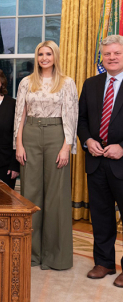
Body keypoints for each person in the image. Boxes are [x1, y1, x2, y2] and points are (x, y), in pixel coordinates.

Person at [14, 40, 78, 270]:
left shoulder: (67, 83)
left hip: (56, 135)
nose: (44, 58)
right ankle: (31, 254)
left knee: (56, 196)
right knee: (30, 193)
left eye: (48, 53)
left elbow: (71, 115)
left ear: (55, 56)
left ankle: (55, 256)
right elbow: (20, 114)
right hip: (29, 135)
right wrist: (18, 144)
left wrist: (66, 147)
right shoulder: (26, 82)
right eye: (40, 54)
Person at [77, 34, 123, 287]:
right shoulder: (92, 83)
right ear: (102, 57)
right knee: (101, 215)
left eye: (116, 53)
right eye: (107, 54)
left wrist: (122, 148)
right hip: (96, 161)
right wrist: (87, 141)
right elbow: (81, 120)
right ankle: (104, 262)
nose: (112, 57)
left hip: (122, 162)